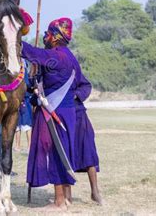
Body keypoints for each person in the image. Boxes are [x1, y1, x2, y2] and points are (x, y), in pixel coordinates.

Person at [22, 17, 80, 212]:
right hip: (68, 112)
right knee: (64, 150)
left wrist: (14, 38)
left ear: (55, 37)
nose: (45, 37)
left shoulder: (56, 56)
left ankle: (59, 201)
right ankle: (65, 198)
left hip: (54, 111)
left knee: (56, 152)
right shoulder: (71, 57)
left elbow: (32, 53)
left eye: (48, 34)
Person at [72, 73, 103, 205]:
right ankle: (66, 196)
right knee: (64, 156)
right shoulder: (45, 69)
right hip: (57, 116)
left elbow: (86, 85)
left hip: (79, 115)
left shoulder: (72, 68)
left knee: (88, 151)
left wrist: (75, 95)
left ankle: (95, 191)